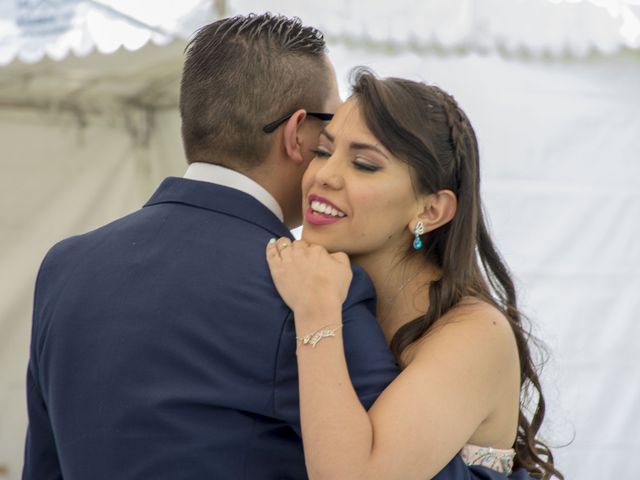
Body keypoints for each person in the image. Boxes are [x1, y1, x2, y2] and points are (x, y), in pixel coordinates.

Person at [22, 14, 398, 479]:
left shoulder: (64, 266)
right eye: (331, 126)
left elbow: (43, 468)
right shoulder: (314, 289)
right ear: (297, 134)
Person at [266, 70, 563, 479]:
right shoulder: (321, 286)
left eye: (364, 164)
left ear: (431, 210)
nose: (323, 176)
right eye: (322, 150)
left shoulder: (475, 334)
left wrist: (316, 314)